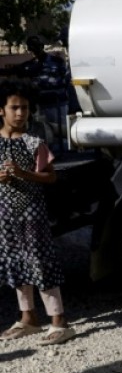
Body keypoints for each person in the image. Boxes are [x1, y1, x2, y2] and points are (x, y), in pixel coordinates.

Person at [0, 79, 74, 345]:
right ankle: (28, 319)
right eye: (15, 108)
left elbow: (50, 176)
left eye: (25, 108)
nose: (21, 113)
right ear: (1, 110)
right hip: (5, 216)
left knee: (41, 262)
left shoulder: (33, 143)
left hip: (32, 213)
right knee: (16, 263)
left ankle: (59, 322)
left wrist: (23, 174)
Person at [0, 36, 71, 149]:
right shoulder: (29, 66)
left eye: (36, 47)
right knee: (44, 132)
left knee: (62, 132)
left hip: (58, 103)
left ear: (42, 46)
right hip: (40, 105)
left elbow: (67, 80)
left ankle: (66, 153)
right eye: (31, 48)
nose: (34, 50)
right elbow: (10, 72)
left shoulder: (57, 62)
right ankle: (48, 154)